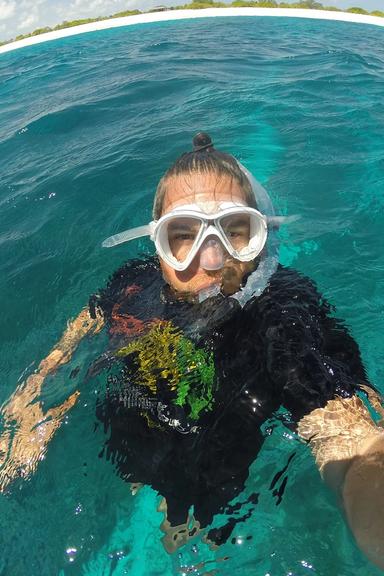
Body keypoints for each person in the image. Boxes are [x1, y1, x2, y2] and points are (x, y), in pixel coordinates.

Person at [1, 133, 384, 568]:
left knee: (207, 530)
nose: (213, 261)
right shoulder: (133, 281)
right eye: (182, 235)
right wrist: (33, 405)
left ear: (259, 236)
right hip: (132, 436)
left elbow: (346, 439)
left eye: (236, 231)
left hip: (221, 465)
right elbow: (79, 335)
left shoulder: (282, 308)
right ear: (156, 245)